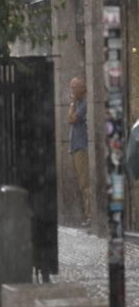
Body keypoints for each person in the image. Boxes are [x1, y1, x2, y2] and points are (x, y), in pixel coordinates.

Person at [69, 77, 91, 226]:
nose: (71, 91)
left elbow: (72, 119)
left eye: (73, 88)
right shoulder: (79, 104)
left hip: (81, 147)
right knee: (81, 183)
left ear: (81, 89)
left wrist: (72, 103)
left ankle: (89, 215)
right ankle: (86, 214)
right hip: (76, 147)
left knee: (85, 183)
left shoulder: (84, 104)